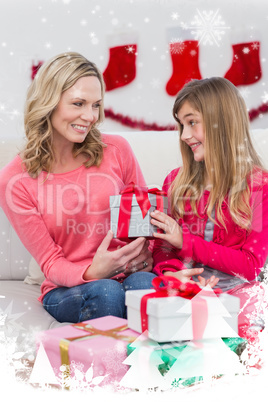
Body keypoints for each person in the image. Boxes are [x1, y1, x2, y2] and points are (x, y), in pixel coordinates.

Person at [0, 52, 209, 324]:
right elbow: (50, 263)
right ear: (48, 103)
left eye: (96, 105)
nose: (89, 116)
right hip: (69, 288)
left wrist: (152, 260)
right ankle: (105, 364)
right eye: (78, 103)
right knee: (107, 291)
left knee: (146, 284)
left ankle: (153, 363)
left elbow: (148, 224)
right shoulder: (16, 180)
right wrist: (92, 271)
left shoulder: (116, 149)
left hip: (130, 275)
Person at [151, 77, 268, 338]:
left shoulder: (260, 186)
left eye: (192, 122)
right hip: (186, 289)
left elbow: (250, 266)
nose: (184, 135)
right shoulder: (175, 181)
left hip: (238, 291)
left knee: (254, 309)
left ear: (222, 123)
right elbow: (161, 246)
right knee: (155, 310)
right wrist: (174, 275)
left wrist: (185, 241)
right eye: (182, 125)